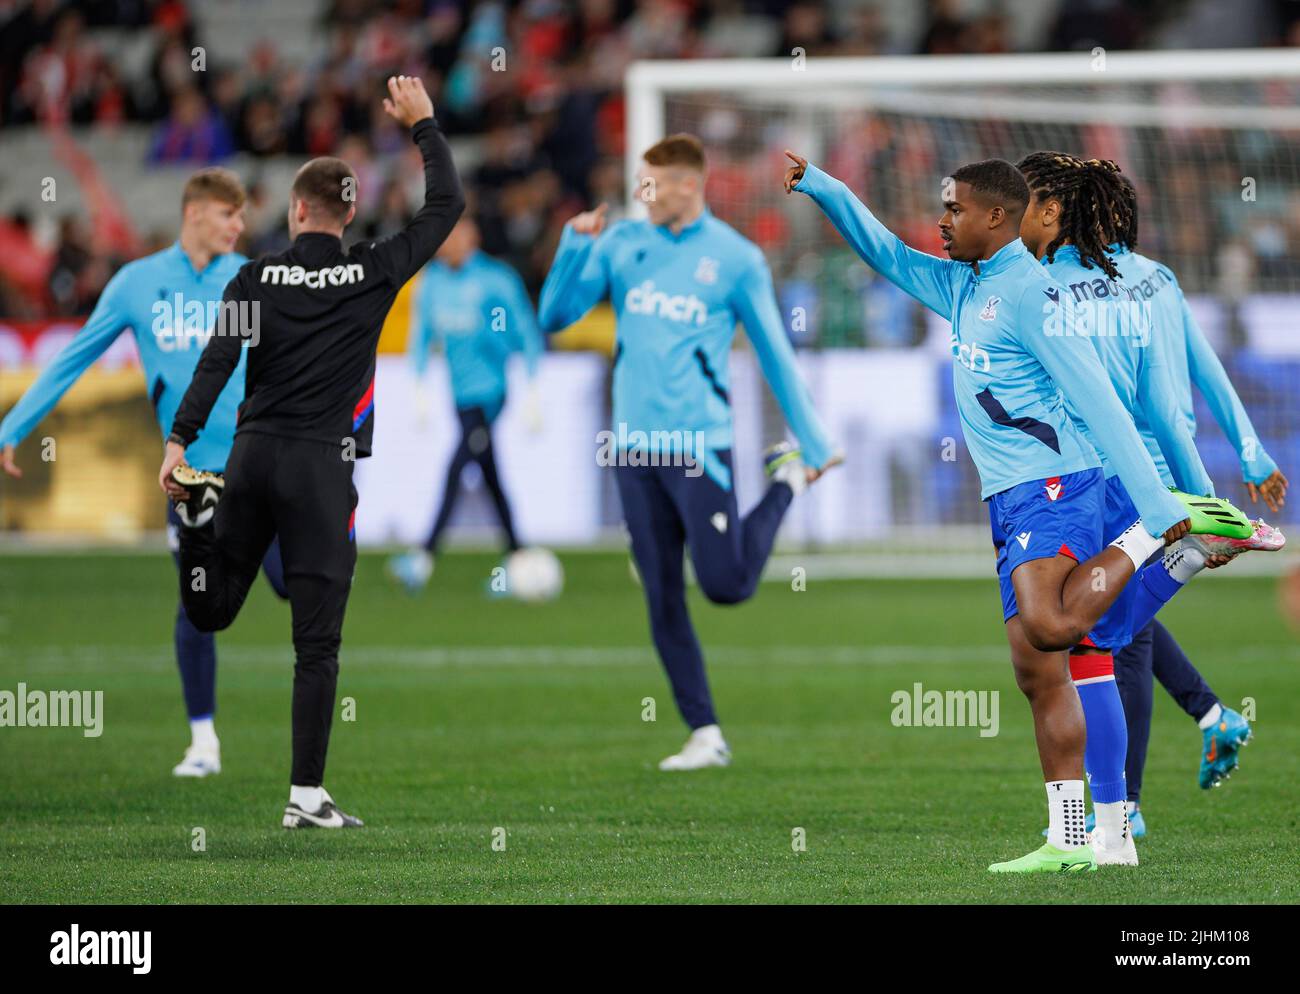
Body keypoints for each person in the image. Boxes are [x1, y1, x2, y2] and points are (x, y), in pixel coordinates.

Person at [784, 149, 1253, 873]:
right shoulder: (962, 286)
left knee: (1052, 624)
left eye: (954, 210)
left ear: (996, 217)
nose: (942, 221)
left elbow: (1100, 401)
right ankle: (1072, 840)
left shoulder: (1034, 295)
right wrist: (823, 185)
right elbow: (882, 250)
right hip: (1007, 497)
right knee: (1040, 670)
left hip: (1058, 482)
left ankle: (1162, 542)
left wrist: (1157, 507)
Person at [158, 76, 465, 829]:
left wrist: (178, 441)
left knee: (213, 609)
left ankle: (197, 526)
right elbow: (446, 207)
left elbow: (215, 363)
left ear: (296, 211)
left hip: (253, 456)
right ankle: (305, 796)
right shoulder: (372, 271)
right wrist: (423, 127)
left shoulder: (254, 277)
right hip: (321, 469)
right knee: (317, 644)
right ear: (349, 213)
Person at [539, 133, 840, 771]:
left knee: (726, 585)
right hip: (633, 451)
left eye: (650, 185)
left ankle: (786, 481)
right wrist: (573, 246)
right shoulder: (622, 242)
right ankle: (704, 731)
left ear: (687, 186)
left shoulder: (734, 259)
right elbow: (553, 316)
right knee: (661, 595)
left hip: (699, 446)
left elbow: (773, 352)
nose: (640, 195)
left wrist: (814, 443)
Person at [1016, 151, 1284, 864]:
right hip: (1157, 477)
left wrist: (1199, 507)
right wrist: (1230, 471)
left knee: (1102, 638)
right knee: (1113, 627)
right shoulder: (1155, 279)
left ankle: (1121, 808)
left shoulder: (1047, 287)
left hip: (1094, 479)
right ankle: (1207, 719)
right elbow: (1190, 385)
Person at [0, 167, 287, 779]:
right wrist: (12, 427)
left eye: (241, 216)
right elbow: (74, 356)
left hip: (256, 464)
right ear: (196, 214)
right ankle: (203, 743)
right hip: (187, 478)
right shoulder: (139, 285)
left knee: (294, 583)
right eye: (229, 214)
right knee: (197, 604)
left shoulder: (244, 282)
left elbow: (274, 366)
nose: (240, 225)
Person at [388, 215, 542, 592]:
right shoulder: (433, 283)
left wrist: (532, 385)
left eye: (455, 236)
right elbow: (422, 334)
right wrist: (419, 383)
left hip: (490, 394)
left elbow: (522, 330)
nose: (447, 244)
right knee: (489, 475)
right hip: (459, 394)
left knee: (457, 467)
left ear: (472, 238)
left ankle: (424, 556)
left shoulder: (495, 280)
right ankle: (517, 556)